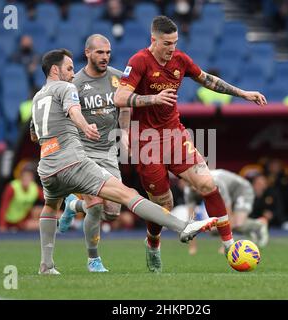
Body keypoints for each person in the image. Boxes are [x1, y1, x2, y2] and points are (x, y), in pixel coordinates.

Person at [31, 48, 217, 275]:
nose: (72, 73)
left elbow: (34, 135)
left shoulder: (37, 98)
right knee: (129, 195)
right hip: (73, 162)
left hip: (47, 167)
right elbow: (73, 111)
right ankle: (183, 227)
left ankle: (46, 265)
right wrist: (84, 126)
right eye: (69, 68)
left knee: (51, 207)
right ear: (54, 69)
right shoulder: (67, 87)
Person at [114, 15, 267, 273]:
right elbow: (120, 97)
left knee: (208, 184)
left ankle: (230, 246)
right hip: (146, 142)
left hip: (175, 136)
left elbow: (208, 80)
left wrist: (242, 93)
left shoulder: (180, 60)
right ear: (153, 40)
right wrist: (150, 102)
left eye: (174, 42)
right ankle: (153, 244)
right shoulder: (138, 61)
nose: (171, 47)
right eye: (166, 43)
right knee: (164, 205)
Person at [57, 34, 131, 272]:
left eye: (108, 53)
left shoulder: (119, 78)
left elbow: (126, 105)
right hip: (83, 151)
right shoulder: (75, 83)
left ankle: (72, 206)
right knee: (97, 206)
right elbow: (63, 113)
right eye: (100, 52)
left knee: (112, 212)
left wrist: (126, 132)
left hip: (108, 151)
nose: (105, 57)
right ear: (87, 52)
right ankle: (93, 259)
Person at [184, 169, 269, 255]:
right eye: (191, 186)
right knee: (213, 229)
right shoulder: (189, 190)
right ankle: (249, 231)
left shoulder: (214, 183)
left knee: (237, 224)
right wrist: (192, 247)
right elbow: (191, 220)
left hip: (242, 190)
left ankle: (259, 224)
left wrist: (226, 245)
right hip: (229, 192)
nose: (194, 189)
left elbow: (227, 214)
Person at [0, 163, 44, 232]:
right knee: (40, 225)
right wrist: (2, 225)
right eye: (24, 176)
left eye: (29, 176)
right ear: (20, 176)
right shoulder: (12, 187)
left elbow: (49, 200)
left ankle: (58, 226)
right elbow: (4, 207)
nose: (26, 178)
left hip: (24, 219)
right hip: (12, 221)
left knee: (53, 213)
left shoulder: (35, 188)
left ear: (32, 178)